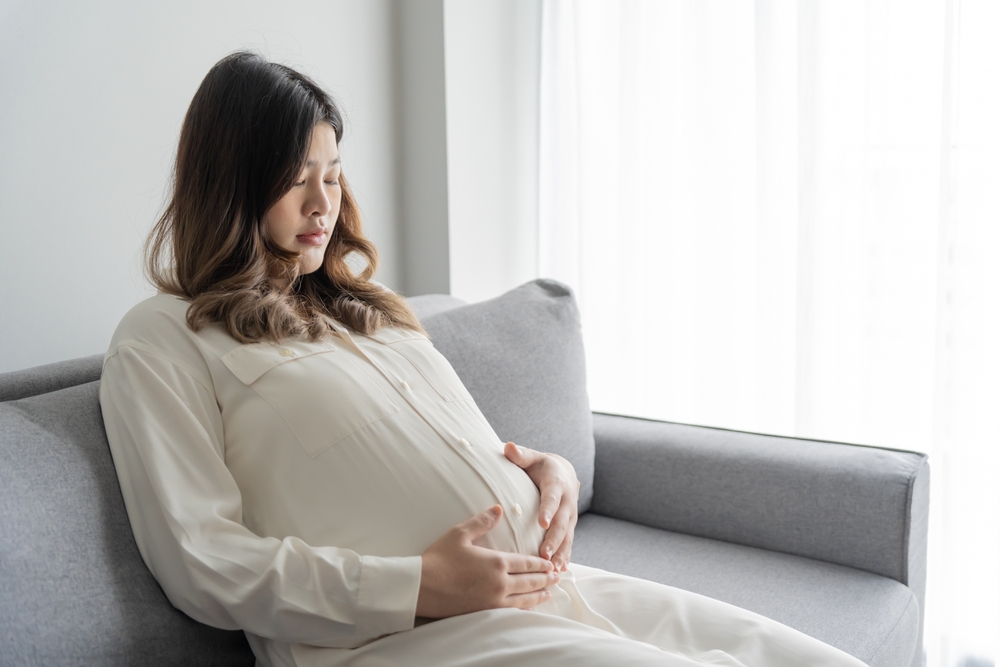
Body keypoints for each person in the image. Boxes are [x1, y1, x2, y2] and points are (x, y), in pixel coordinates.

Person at [99, 51, 867, 667]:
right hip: (408, 639)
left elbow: (455, 450)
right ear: (230, 185)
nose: (322, 204)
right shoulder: (163, 338)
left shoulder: (365, 311)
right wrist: (416, 586)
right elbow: (203, 560)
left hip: (552, 587)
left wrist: (545, 473)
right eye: (296, 179)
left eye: (332, 176)